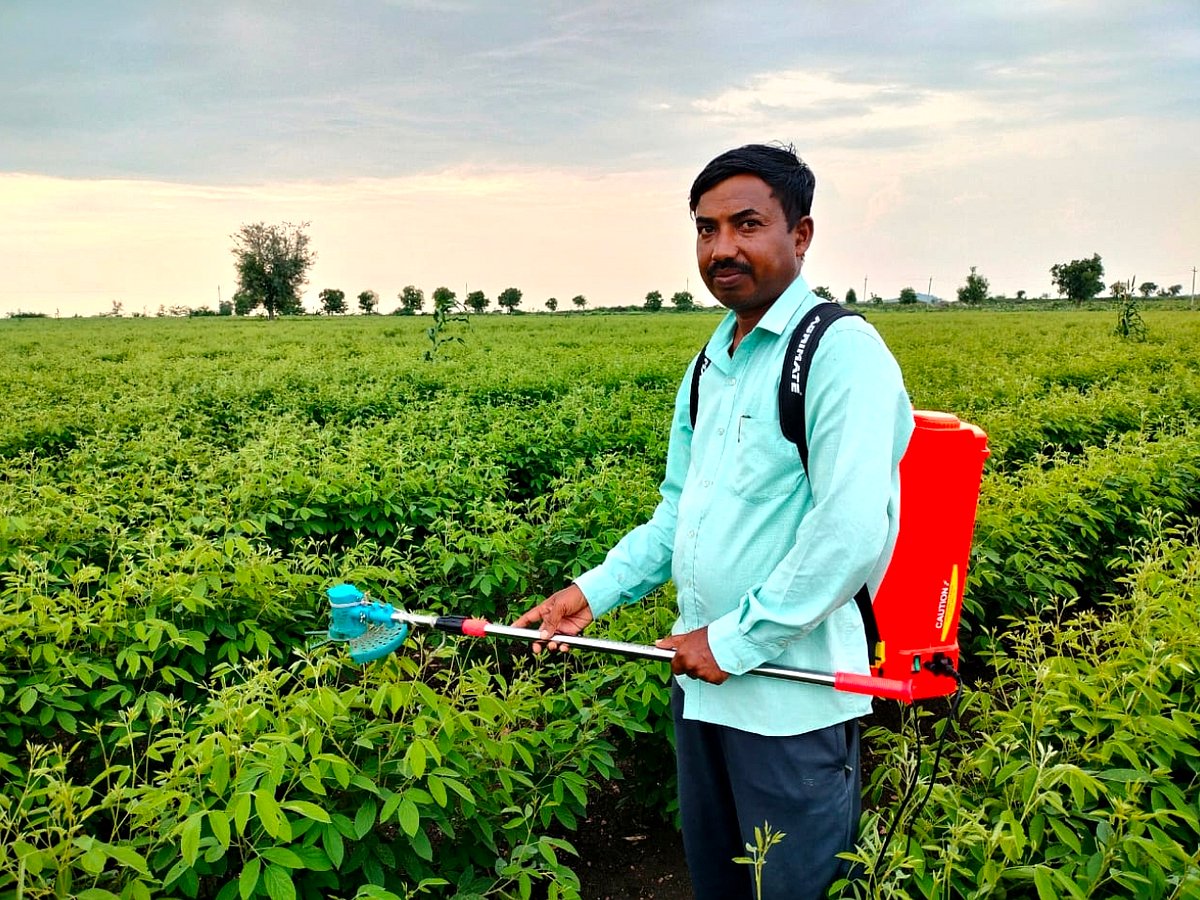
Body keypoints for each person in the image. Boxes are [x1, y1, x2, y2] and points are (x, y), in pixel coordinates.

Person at [514, 143, 913, 900]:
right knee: (721, 883)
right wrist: (592, 593)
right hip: (703, 690)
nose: (721, 247)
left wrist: (732, 641)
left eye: (746, 224)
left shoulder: (840, 354)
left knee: (791, 889)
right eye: (705, 229)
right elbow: (678, 515)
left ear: (800, 235)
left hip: (792, 701)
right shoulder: (711, 364)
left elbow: (850, 531)